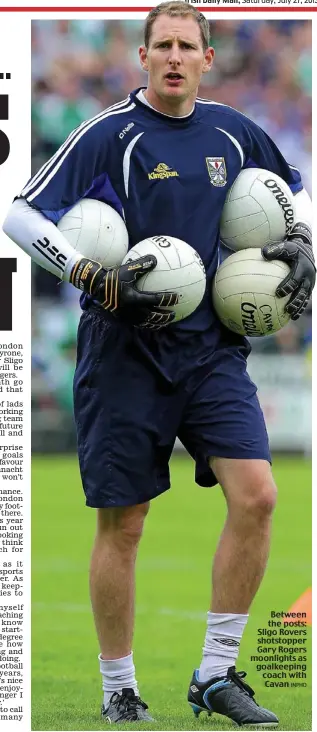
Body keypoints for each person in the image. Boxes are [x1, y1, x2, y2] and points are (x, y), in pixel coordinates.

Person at [3, 2, 315, 726]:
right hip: (123, 350)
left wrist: (300, 238)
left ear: (208, 58)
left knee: (258, 497)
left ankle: (214, 674)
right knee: (126, 524)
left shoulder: (235, 132)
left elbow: (293, 189)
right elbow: (19, 214)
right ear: (141, 57)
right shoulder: (109, 133)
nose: (173, 57)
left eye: (186, 46)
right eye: (161, 45)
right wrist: (85, 273)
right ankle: (118, 687)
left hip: (212, 350)